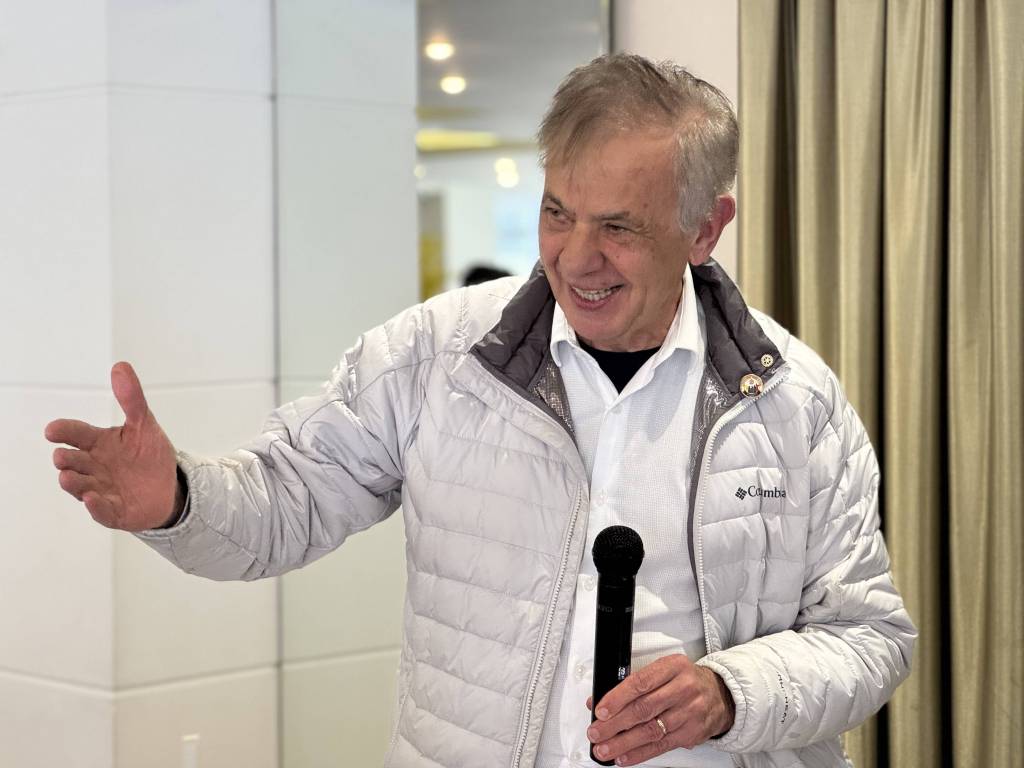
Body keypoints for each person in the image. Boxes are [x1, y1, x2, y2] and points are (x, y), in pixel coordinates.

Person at [45, 54, 915, 768]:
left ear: (705, 228)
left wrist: (732, 694)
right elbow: (288, 500)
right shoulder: (435, 355)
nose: (576, 258)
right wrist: (179, 499)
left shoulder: (796, 401)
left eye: (619, 227)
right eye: (557, 213)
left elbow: (868, 636)